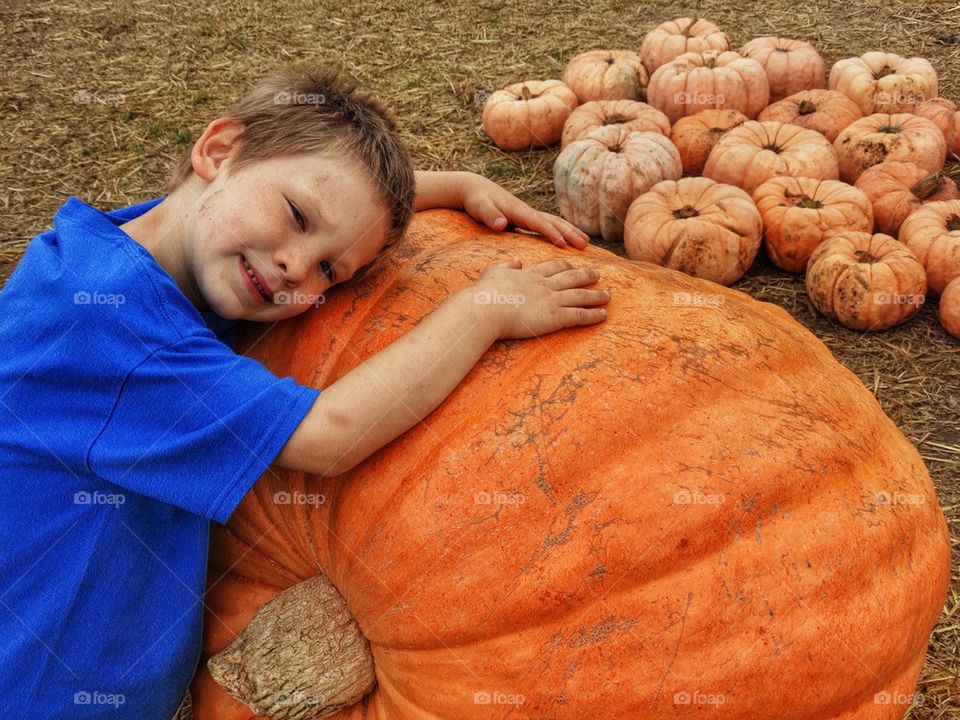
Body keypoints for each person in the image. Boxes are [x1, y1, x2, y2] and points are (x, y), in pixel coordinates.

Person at [0, 62, 610, 718]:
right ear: (217, 150)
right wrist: (484, 310)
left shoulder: (141, 245)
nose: (295, 264)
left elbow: (323, 200)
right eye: (295, 215)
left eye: (330, 267)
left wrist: (455, 186)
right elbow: (329, 435)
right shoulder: (111, 327)